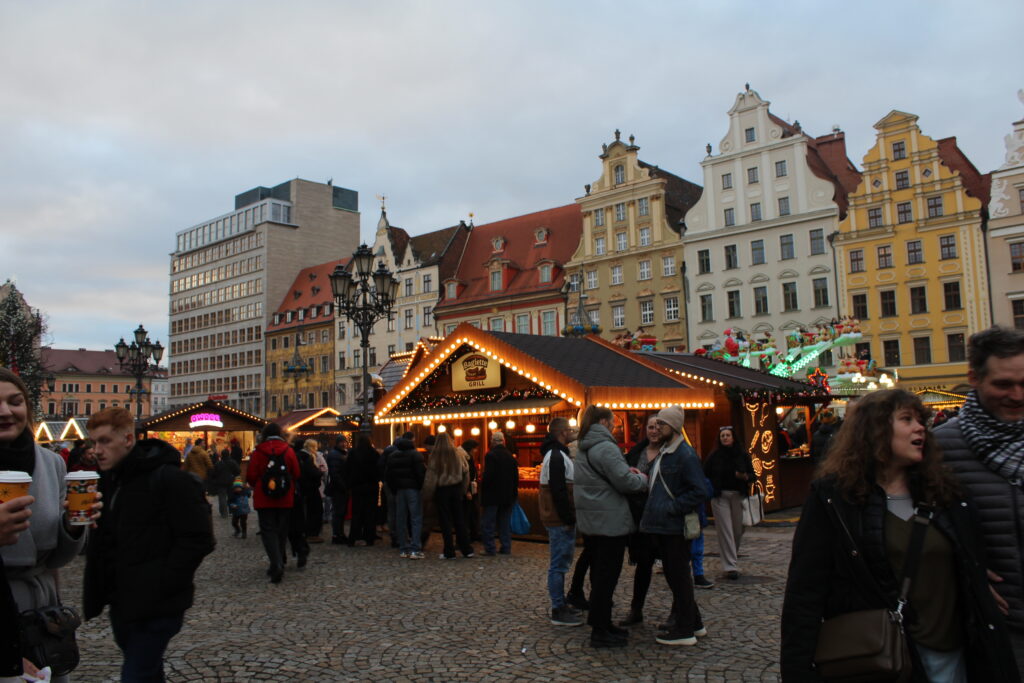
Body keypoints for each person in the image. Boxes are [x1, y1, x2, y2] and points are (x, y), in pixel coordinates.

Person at [781, 389, 1019, 682]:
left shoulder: (945, 492)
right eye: (906, 419)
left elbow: (963, 558)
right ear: (875, 430)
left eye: (921, 420)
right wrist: (797, 671)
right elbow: (805, 591)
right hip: (883, 657)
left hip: (954, 654)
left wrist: (975, 582)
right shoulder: (834, 499)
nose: (920, 427)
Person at [85, 406, 214, 683]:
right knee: (147, 670)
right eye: (93, 442)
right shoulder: (109, 480)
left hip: (158, 604)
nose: (97, 450)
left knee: (136, 675)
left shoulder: (170, 479)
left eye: (105, 441)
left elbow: (199, 538)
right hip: (122, 601)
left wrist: (164, 581)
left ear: (128, 440)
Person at [935, 326, 1024, 671]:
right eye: (1003, 384)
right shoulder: (939, 447)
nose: (1016, 396)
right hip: (993, 627)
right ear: (974, 377)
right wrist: (961, 574)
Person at [0, 367, 92, 683]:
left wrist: (74, 526)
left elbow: (55, 558)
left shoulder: (51, 463)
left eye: (15, 401)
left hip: (41, 611)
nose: (6, 412)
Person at [574, 405, 648, 648]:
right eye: (614, 422)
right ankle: (600, 630)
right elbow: (625, 482)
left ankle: (603, 623)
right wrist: (642, 478)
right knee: (607, 577)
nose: (616, 426)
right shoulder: (605, 447)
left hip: (593, 520)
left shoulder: (584, 446)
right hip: (609, 521)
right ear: (604, 422)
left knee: (600, 575)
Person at [640, 406, 709, 646]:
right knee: (675, 575)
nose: (658, 428)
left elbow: (700, 490)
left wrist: (673, 507)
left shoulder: (684, 455)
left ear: (674, 426)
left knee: (678, 576)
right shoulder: (667, 451)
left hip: (674, 526)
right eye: (657, 423)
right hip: (664, 525)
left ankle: (685, 630)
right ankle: (695, 623)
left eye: (662, 424)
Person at [538, 417, 582, 626]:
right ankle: (558, 607)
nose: (574, 432)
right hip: (559, 519)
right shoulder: (556, 456)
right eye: (571, 429)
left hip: (558, 517)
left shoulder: (554, 454)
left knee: (561, 562)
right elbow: (558, 490)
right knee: (559, 563)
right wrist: (567, 518)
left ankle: (561, 603)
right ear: (563, 432)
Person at [619, 415, 662, 627]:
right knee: (643, 565)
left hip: (663, 516)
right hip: (640, 516)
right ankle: (636, 609)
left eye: (657, 427)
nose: (653, 431)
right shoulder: (637, 453)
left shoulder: (670, 453)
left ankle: (684, 612)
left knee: (673, 568)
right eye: (650, 427)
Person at [245, 422, 300, 583]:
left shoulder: (258, 452)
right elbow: (296, 473)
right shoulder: (288, 450)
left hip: (264, 498)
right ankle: (280, 560)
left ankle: (275, 563)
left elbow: (251, 476)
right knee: (282, 530)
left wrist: (260, 486)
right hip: (285, 497)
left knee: (268, 531)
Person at [703, 425, 755, 580]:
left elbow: (753, 475)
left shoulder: (743, 455)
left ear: (733, 437)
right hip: (720, 496)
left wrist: (745, 477)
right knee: (725, 531)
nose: (725, 437)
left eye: (727, 435)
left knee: (738, 530)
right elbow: (705, 474)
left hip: (738, 495)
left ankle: (731, 556)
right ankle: (730, 566)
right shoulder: (714, 456)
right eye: (722, 436)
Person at [428, 433, 474, 560]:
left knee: (445, 521)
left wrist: (427, 495)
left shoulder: (435, 456)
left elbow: (430, 479)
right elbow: (466, 473)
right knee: (459, 519)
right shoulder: (458, 454)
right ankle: (467, 549)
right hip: (456, 489)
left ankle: (449, 551)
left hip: (442, 491)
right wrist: (463, 490)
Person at [385, 437, 426, 559]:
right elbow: (420, 473)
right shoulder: (416, 455)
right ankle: (415, 548)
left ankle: (403, 547)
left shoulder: (392, 456)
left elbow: (389, 475)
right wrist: (420, 487)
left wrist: (394, 489)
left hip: (399, 490)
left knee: (401, 518)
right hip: (413, 489)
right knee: (416, 518)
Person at [480, 431, 518, 556]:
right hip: (507, 495)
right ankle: (506, 547)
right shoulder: (510, 456)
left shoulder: (491, 455)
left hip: (493, 495)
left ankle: (490, 548)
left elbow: (488, 476)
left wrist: (483, 487)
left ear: (493, 441)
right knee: (504, 523)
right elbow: (515, 477)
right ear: (504, 441)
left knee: (489, 523)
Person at [347, 436, 381, 547]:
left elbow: (348, 469)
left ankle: (354, 537)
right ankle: (369, 537)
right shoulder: (374, 454)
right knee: (370, 513)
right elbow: (378, 470)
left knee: (357, 513)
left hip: (357, 487)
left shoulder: (353, 453)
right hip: (371, 487)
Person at [324, 436, 350, 545]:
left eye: (345, 442)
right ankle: (337, 534)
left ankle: (340, 533)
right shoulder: (336, 455)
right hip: (338, 488)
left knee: (340, 512)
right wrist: (344, 486)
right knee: (338, 512)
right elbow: (335, 474)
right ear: (338, 443)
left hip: (340, 487)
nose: (344, 444)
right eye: (342, 442)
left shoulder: (340, 453)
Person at [298, 439, 324, 543]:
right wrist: (320, 472)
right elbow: (313, 473)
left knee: (307, 511)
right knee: (315, 510)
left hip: (303, 488)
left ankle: (307, 532)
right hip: (310, 488)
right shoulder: (308, 458)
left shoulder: (299, 455)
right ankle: (312, 534)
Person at [458, 439, 481, 542]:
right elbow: (463, 475)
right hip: (467, 490)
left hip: (472, 488)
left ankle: (473, 534)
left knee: (473, 512)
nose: (475, 451)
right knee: (466, 513)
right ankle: (465, 538)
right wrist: (466, 490)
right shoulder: (462, 456)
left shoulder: (467, 456)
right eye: (475, 448)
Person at [209, 449, 240, 518]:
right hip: (231, 481)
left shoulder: (218, 463)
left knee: (222, 498)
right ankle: (232, 511)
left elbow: (214, 473)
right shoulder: (233, 462)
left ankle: (224, 513)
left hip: (221, 482)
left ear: (222, 455)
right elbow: (238, 471)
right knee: (231, 496)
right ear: (229, 454)